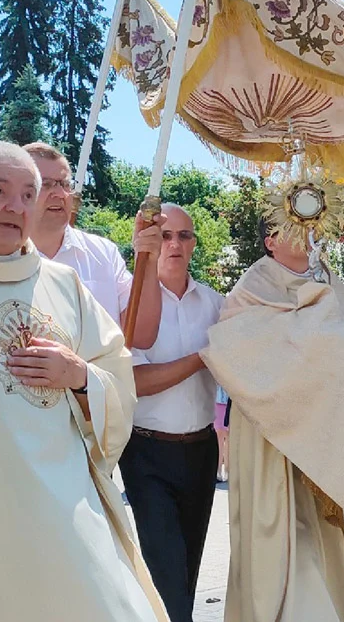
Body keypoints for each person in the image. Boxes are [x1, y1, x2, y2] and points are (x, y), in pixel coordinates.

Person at [0, 141, 167, 620]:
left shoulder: (64, 283)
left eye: (29, 194)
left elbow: (118, 370)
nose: (16, 206)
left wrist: (81, 375)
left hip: (67, 500)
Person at [198, 214, 344, 622]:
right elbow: (231, 348)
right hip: (272, 433)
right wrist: (320, 335)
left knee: (326, 533)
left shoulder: (329, 282)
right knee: (286, 534)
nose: (305, 234)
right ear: (270, 241)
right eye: (291, 227)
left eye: (311, 224)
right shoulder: (252, 289)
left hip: (325, 429)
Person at [118, 203, 223, 622]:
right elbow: (136, 381)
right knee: (164, 568)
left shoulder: (217, 304)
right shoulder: (131, 301)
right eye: (165, 235)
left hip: (201, 450)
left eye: (184, 236)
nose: (175, 244)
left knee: (188, 568)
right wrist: (201, 358)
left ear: (195, 244)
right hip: (146, 452)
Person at [25, 142, 164, 347]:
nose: (60, 194)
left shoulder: (103, 253)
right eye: (46, 184)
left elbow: (141, 336)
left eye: (65, 184)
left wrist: (148, 260)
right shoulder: (0, 256)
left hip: (95, 378)